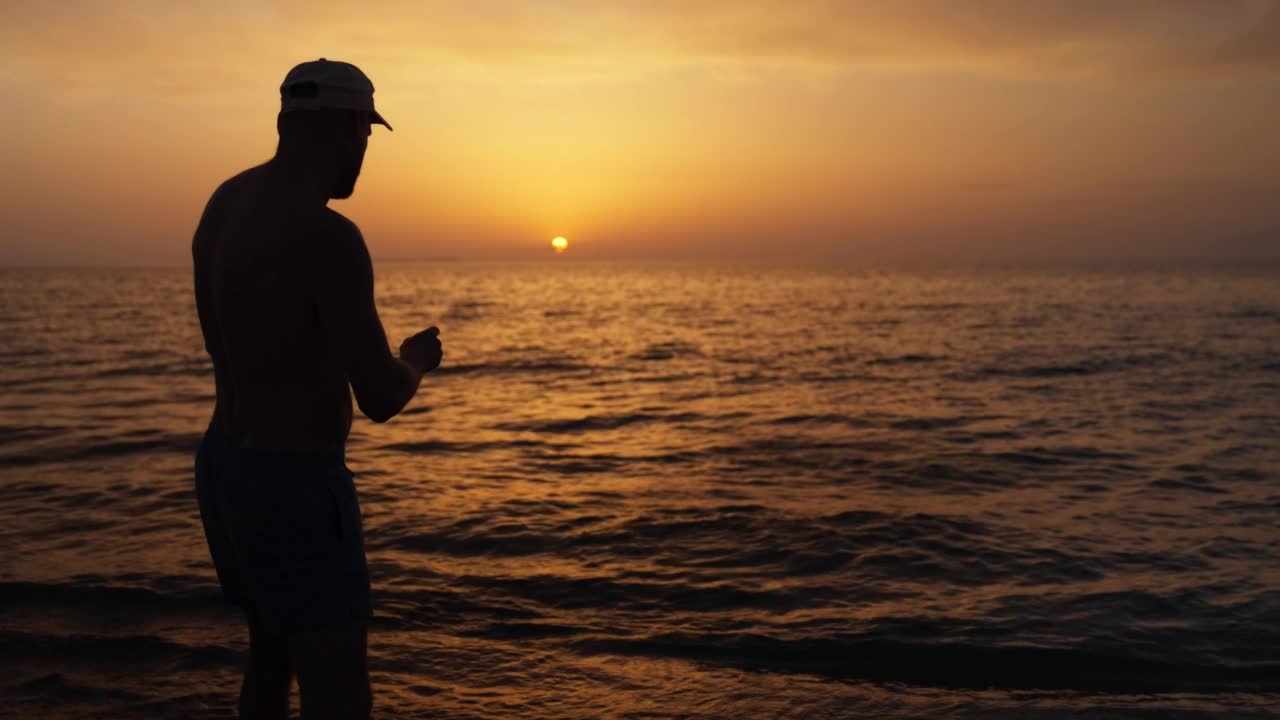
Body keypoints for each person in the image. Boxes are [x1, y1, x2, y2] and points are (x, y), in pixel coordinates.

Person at [191, 59, 442, 720]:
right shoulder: (328, 237)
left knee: (271, 662)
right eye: (366, 133)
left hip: (225, 466)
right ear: (347, 124)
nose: (365, 150)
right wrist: (416, 360)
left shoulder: (225, 204)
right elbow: (381, 397)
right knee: (338, 694)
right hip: (295, 484)